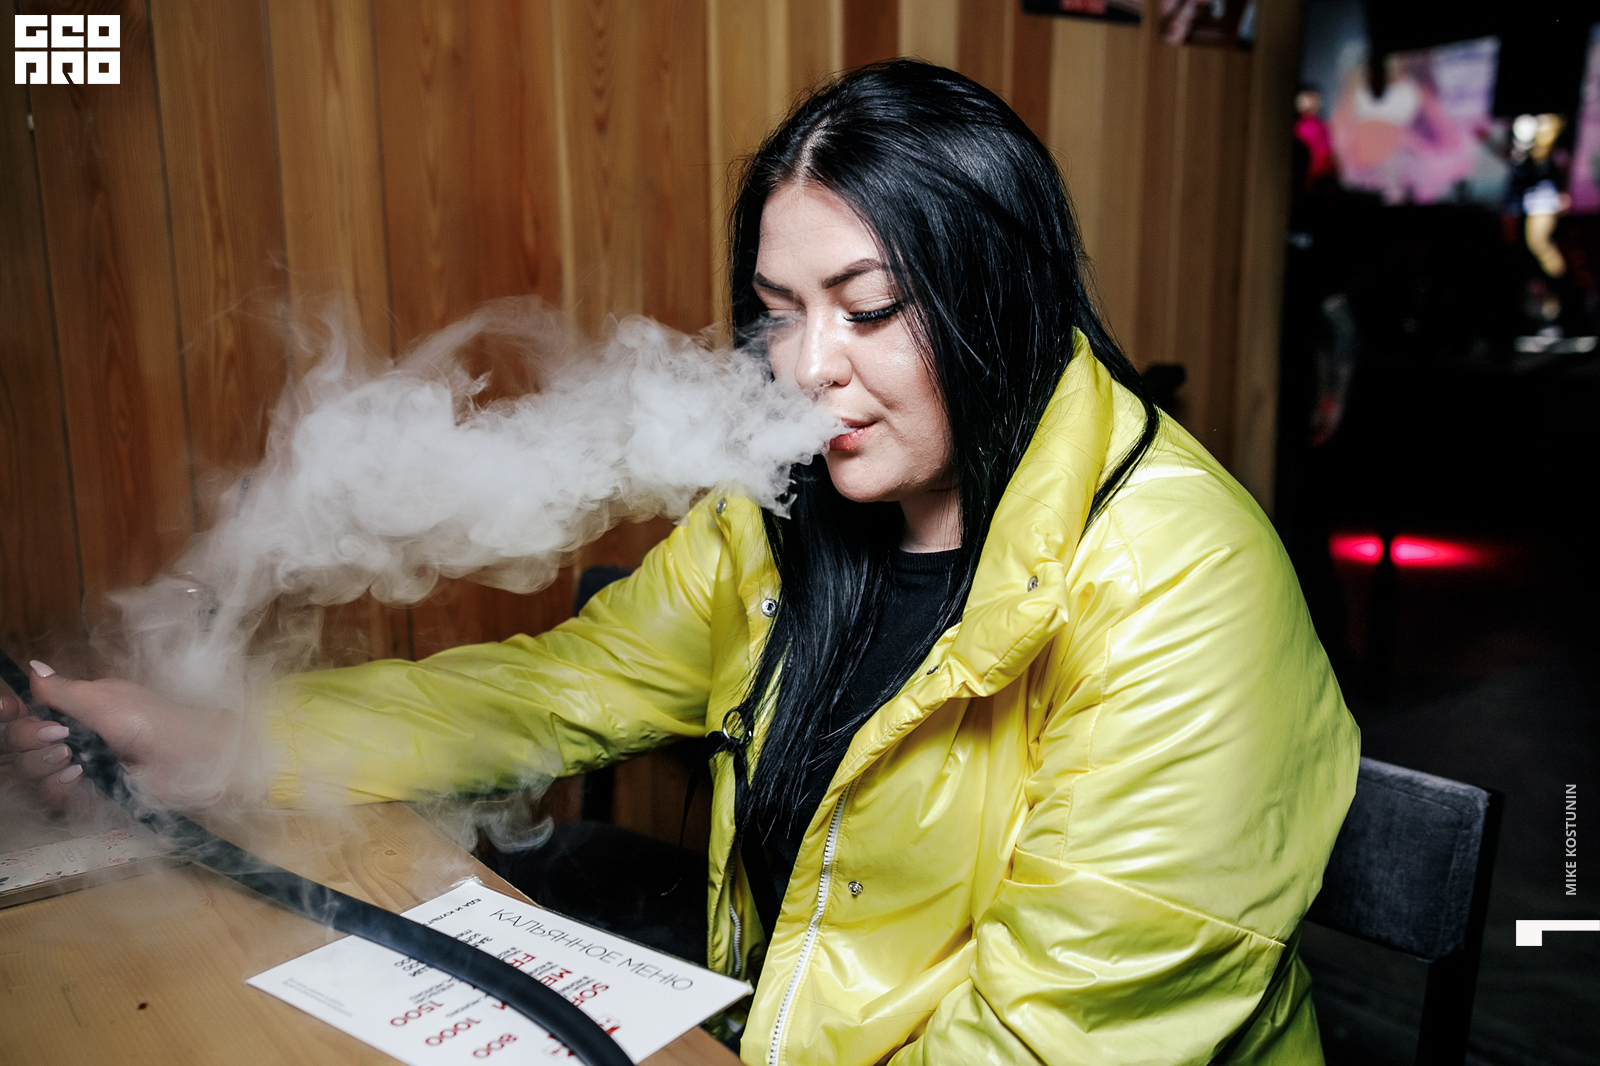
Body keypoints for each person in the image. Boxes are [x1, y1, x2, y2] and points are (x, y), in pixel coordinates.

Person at [3, 61, 1358, 1065]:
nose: (808, 368)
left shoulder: (1185, 592)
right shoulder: (785, 514)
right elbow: (551, 692)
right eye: (777, 313)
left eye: (871, 310)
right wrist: (216, 737)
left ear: (1002, 292)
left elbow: (1045, 1040)